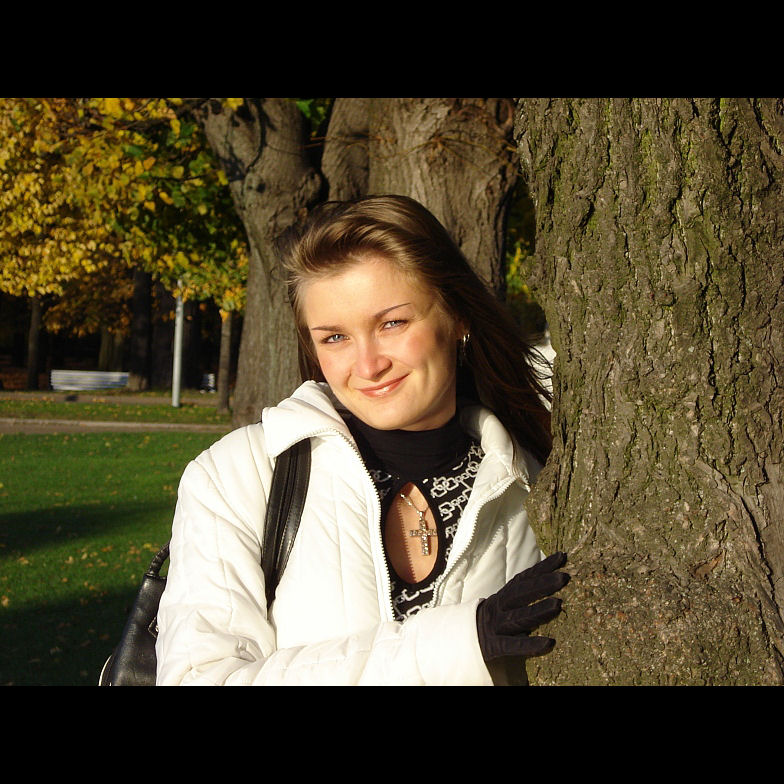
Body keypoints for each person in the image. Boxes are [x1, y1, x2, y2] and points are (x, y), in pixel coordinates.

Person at [155, 194, 570, 686]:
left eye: (392, 323)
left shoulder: (540, 481)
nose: (369, 365)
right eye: (335, 337)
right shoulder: (238, 476)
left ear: (458, 316)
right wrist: (458, 643)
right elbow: (199, 678)